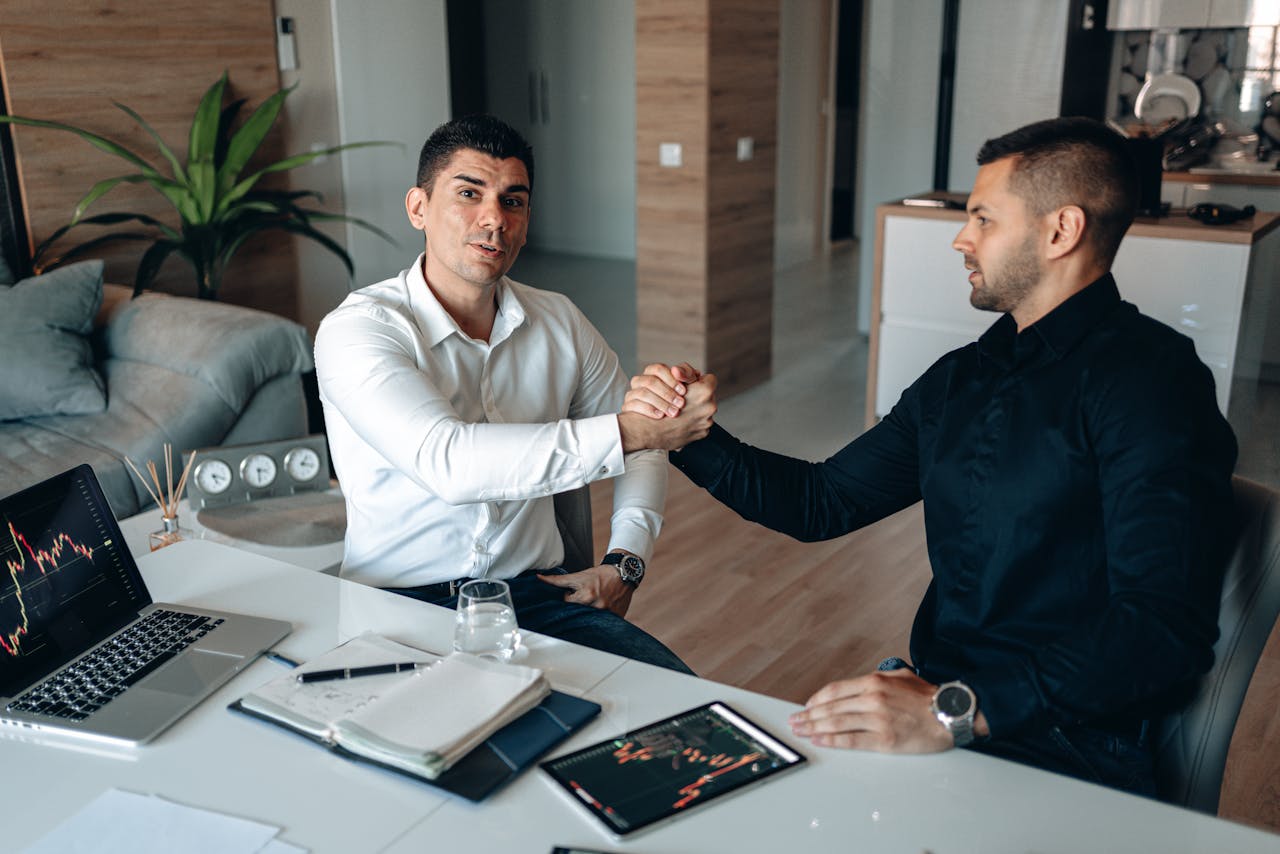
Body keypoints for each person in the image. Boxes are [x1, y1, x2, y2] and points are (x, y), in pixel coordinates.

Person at [624, 117, 1238, 792]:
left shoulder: (1150, 381)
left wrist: (955, 713)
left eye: (982, 219)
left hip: (1073, 745)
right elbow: (820, 502)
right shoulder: (961, 379)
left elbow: (1160, 628)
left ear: (1060, 231)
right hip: (938, 702)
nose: (961, 238)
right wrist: (688, 434)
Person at [314, 114, 714, 673]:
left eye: (513, 201)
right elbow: (449, 462)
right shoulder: (360, 329)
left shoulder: (560, 321)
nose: (494, 220)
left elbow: (643, 447)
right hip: (399, 607)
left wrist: (626, 562)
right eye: (469, 194)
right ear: (418, 208)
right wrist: (632, 430)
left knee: (683, 712)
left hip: (538, 599)